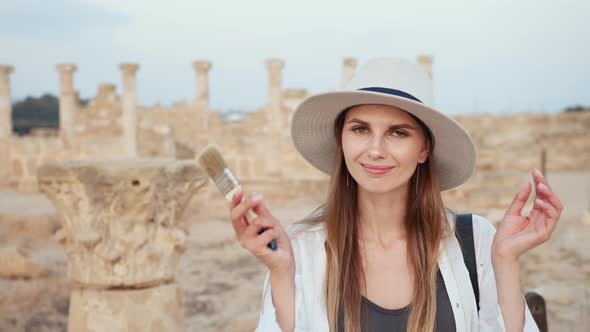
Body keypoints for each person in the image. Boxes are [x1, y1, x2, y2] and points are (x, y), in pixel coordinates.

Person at [229, 58, 562, 331]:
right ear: (341, 140)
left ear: (424, 149)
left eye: (397, 133)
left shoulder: (476, 242)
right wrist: (282, 275)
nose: (375, 150)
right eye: (360, 129)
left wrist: (504, 262)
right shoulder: (300, 248)